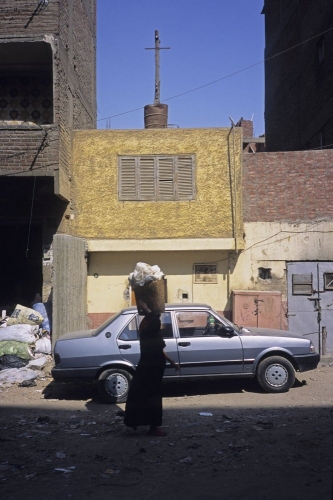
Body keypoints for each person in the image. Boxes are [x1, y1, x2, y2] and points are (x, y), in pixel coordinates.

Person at [124, 299, 179, 436]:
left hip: (151, 369)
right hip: (151, 370)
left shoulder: (151, 334)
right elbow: (154, 319)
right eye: (158, 322)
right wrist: (147, 309)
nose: (160, 323)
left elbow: (160, 350)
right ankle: (153, 427)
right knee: (152, 398)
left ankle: (141, 422)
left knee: (143, 396)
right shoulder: (148, 333)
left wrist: (171, 361)